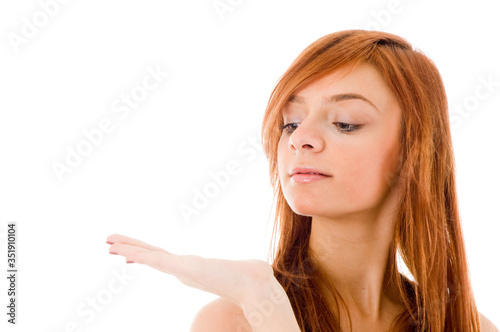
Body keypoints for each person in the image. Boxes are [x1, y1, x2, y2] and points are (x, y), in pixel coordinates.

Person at [106, 30, 499, 331]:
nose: (299, 138)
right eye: (290, 122)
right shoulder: (233, 321)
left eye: (345, 122)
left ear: (413, 150)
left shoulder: (470, 326)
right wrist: (263, 301)